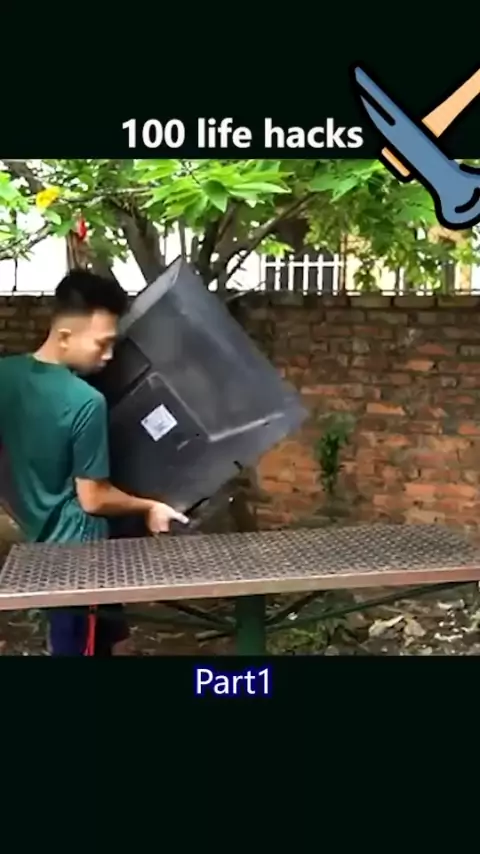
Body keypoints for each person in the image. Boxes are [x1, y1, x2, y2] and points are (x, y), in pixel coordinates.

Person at [0, 269, 188, 656]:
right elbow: (94, 498)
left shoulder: (6, 375)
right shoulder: (85, 401)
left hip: (42, 545)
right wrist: (149, 506)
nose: (108, 356)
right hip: (80, 558)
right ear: (65, 335)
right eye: (102, 344)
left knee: (111, 641)